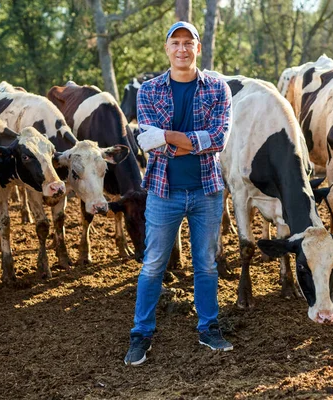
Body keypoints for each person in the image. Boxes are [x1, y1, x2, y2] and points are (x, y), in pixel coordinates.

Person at [124, 21, 233, 366]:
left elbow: (218, 140)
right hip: (162, 191)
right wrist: (191, 141)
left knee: (206, 264)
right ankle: (141, 333)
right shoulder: (149, 91)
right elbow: (151, 147)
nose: (182, 49)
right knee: (153, 263)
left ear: (198, 48)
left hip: (207, 191)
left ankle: (208, 327)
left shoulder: (218, 88)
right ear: (167, 48)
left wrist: (167, 136)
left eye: (189, 43)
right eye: (176, 43)